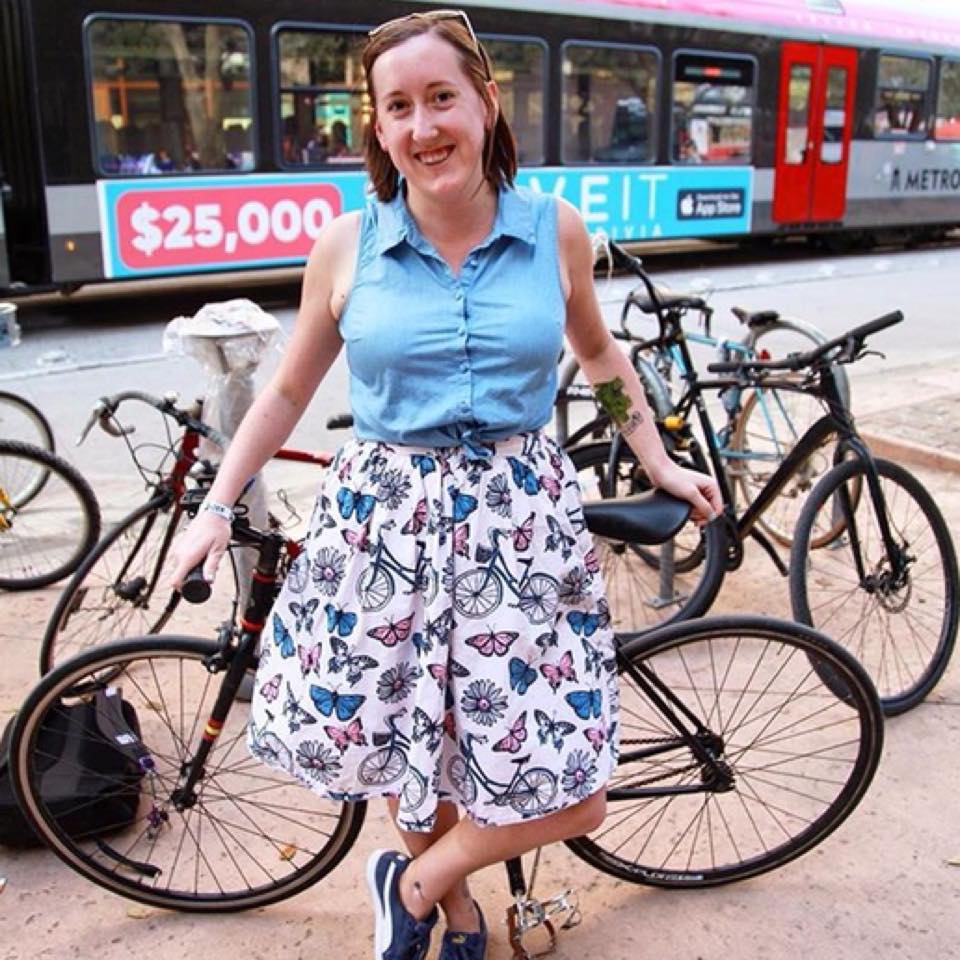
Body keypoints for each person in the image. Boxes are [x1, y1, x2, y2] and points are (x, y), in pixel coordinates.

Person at [169, 9, 721, 960]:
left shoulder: (556, 230)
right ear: (378, 129)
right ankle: (457, 918)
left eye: (441, 98)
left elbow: (599, 354)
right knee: (406, 744)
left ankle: (413, 881)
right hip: (383, 532)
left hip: (521, 533)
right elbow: (288, 389)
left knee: (572, 787)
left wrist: (659, 452)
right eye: (398, 107)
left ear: (484, 103)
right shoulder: (347, 246)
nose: (423, 126)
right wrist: (216, 507)